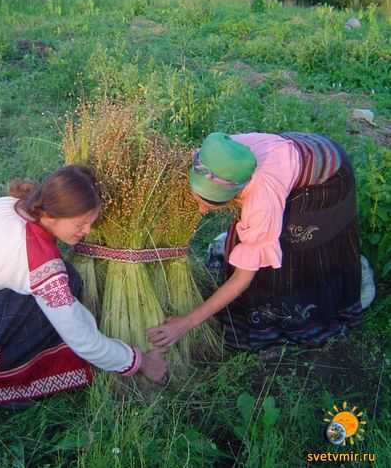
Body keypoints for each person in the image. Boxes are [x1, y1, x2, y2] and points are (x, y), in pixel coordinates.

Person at [0, 165, 167, 406]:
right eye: (80, 223)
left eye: (90, 222)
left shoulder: (15, 205)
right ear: (53, 215)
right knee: (52, 302)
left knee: (66, 280)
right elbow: (82, 339)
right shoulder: (36, 255)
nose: (87, 230)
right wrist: (139, 361)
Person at [148, 132, 365, 352]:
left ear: (238, 189)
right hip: (295, 151)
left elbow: (242, 279)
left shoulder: (261, 203)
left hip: (329, 173)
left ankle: (296, 315)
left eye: (211, 204)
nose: (202, 209)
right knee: (251, 241)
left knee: (290, 253)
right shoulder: (218, 154)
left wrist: (186, 323)